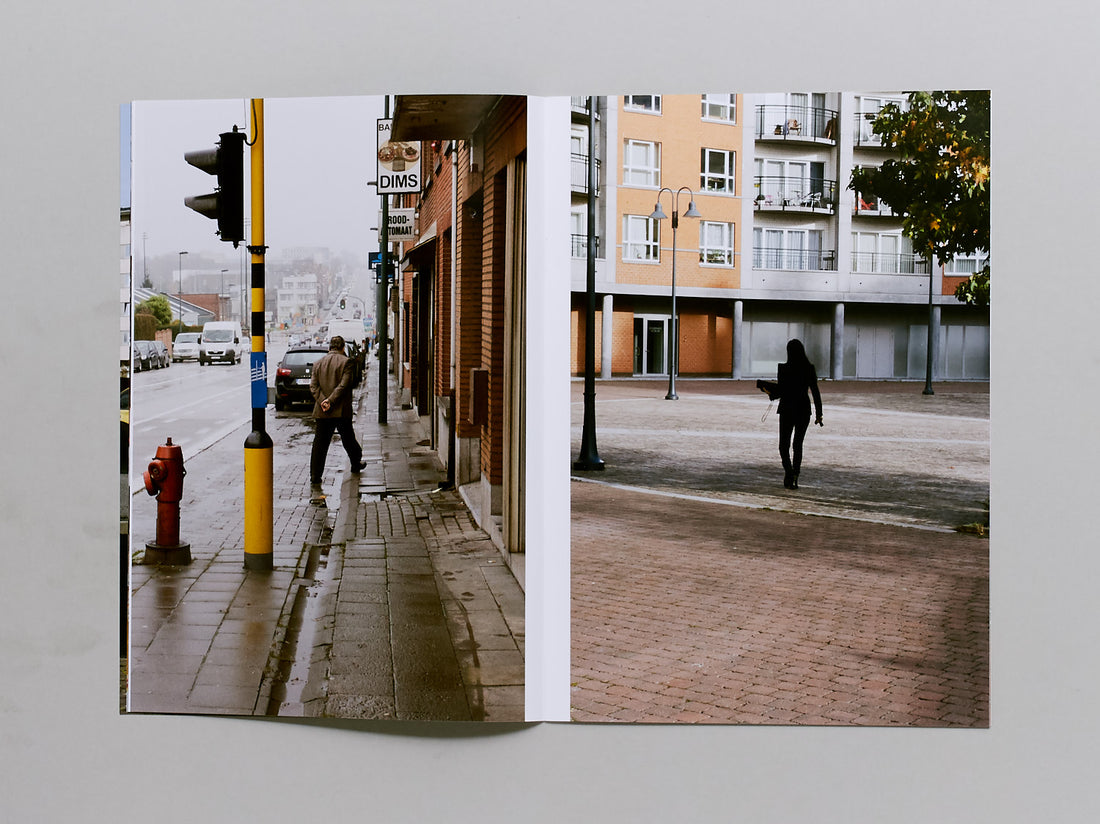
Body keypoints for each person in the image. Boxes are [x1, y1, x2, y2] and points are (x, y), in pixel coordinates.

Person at [308, 335, 365, 503]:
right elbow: (344, 385)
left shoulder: (318, 363)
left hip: (322, 411)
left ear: (329, 347)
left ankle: (315, 476)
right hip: (340, 410)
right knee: (348, 438)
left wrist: (322, 401)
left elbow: (313, 386)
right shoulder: (346, 362)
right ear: (341, 348)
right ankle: (356, 462)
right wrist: (331, 401)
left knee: (320, 444)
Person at [773, 338, 823, 490]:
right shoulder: (809, 368)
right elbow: (815, 392)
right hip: (803, 409)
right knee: (797, 445)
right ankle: (796, 475)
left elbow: (780, 391)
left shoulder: (783, 368)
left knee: (783, 446)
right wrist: (819, 414)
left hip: (787, 408)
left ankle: (789, 472)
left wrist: (769, 391)